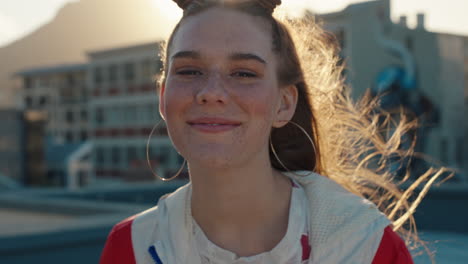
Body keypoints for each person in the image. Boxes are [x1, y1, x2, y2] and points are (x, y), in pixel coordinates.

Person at [100, 0, 442, 263]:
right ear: (163, 97)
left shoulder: (366, 247)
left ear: (284, 103)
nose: (211, 91)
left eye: (244, 73)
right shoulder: (132, 248)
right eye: (189, 71)